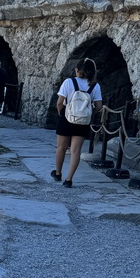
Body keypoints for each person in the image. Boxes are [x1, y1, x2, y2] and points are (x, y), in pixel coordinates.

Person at [52, 58, 103, 188]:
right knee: (75, 151)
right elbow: (98, 106)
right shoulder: (95, 85)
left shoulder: (69, 82)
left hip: (67, 117)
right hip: (83, 121)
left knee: (61, 147)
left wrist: (60, 113)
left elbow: (59, 102)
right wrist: (89, 114)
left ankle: (58, 173)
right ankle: (69, 179)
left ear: (77, 70)